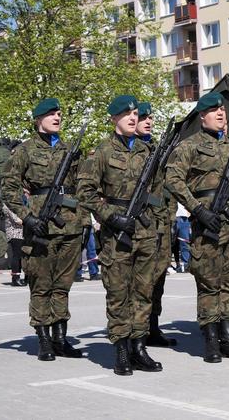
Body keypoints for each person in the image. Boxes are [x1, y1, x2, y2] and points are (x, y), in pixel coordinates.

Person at [166, 92, 229, 362]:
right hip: (208, 223)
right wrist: (197, 209)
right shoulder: (189, 146)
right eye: (214, 110)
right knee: (209, 283)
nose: (220, 114)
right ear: (202, 116)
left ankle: (228, 336)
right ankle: (210, 339)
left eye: (222, 110)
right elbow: (173, 179)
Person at [77, 94, 162, 375]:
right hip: (116, 234)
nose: (133, 118)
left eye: (135, 113)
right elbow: (85, 192)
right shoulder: (102, 152)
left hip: (145, 230)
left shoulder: (147, 151)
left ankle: (139, 346)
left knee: (143, 291)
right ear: (114, 118)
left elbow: (158, 190)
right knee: (118, 294)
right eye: (127, 114)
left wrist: (155, 220)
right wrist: (111, 216)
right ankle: (122, 350)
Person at [2, 98, 84, 361]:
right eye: (51, 114)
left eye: (59, 114)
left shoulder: (70, 149)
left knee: (63, 284)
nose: (57, 118)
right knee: (41, 284)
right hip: (40, 224)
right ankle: (44, 339)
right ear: (38, 119)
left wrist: (82, 218)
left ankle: (61, 338)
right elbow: (8, 189)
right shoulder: (24, 151)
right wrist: (26, 217)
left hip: (69, 225)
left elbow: (84, 186)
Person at [134, 102, 178, 348]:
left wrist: (168, 216)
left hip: (161, 225)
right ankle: (137, 332)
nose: (148, 121)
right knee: (141, 283)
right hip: (142, 226)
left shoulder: (156, 149)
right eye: (143, 117)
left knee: (158, 280)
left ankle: (153, 327)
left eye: (150, 117)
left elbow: (167, 188)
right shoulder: (134, 151)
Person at [3, 200, 26, 286]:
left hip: (20, 234)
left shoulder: (15, 204)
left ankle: (18, 277)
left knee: (19, 256)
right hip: (14, 233)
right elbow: (18, 220)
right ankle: (15, 279)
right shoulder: (6, 206)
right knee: (16, 256)